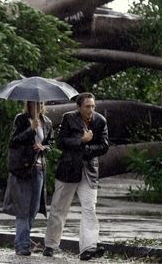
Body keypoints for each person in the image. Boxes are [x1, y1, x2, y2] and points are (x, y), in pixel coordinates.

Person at [43, 92, 109, 261]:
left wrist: (87, 149)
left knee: (89, 209)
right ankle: (50, 245)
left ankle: (88, 247)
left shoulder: (100, 120)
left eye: (93, 106)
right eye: (87, 106)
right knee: (59, 208)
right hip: (68, 169)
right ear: (79, 107)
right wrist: (81, 140)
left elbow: (104, 145)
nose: (91, 109)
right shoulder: (68, 118)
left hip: (89, 171)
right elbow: (61, 141)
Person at [2, 101, 53, 256]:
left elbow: (50, 143)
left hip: (38, 170)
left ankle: (23, 240)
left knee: (33, 209)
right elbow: (13, 141)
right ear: (29, 104)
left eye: (41, 102)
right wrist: (30, 129)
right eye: (35, 103)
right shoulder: (21, 119)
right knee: (22, 208)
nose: (39, 105)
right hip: (23, 169)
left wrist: (44, 147)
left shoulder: (47, 122)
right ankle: (22, 245)